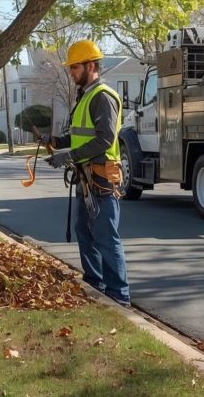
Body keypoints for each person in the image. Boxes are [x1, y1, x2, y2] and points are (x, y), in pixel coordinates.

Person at [41, 39, 130, 307]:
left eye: (75, 67)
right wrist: (57, 141)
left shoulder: (102, 97)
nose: (71, 73)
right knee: (84, 231)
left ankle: (119, 294)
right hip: (87, 176)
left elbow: (104, 140)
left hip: (102, 177)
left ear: (91, 66)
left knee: (105, 236)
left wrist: (68, 157)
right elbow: (82, 135)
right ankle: (95, 283)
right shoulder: (86, 96)